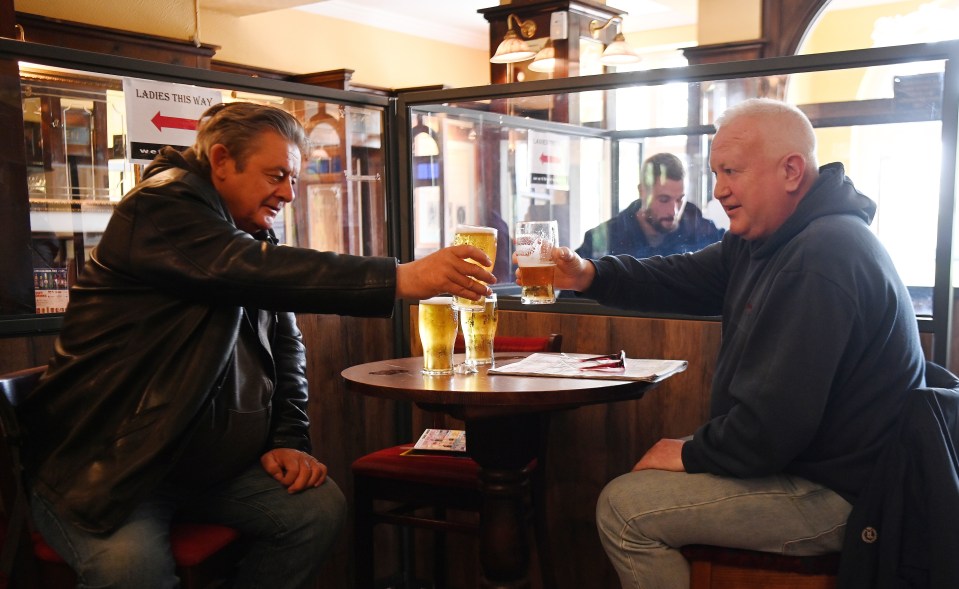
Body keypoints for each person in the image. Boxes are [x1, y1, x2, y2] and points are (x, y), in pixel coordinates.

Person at [20, 102, 496, 589]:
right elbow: (244, 268)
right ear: (222, 160)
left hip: (206, 469)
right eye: (277, 175)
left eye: (293, 178)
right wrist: (401, 276)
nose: (288, 193)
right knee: (132, 572)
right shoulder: (160, 207)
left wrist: (287, 439)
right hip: (112, 470)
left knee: (315, 510)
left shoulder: (245, 230)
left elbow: (285, 349)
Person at [523, 98, 925, 588]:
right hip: (802, 462)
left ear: (791, 171)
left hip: (845, 495)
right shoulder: (769, 238)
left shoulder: (823, 254)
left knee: (624, 510)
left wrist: (689, 454)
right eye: (715, 174)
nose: (718, 192)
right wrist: (589, 273)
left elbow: (772, 429)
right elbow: (681, 277)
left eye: (731, 172)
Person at [575, 152, 724, 259]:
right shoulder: (605, 238)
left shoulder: (704, 232)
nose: (674, 211)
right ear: (642, 192)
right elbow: (571, 298)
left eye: (679, 200)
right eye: (664, 199)